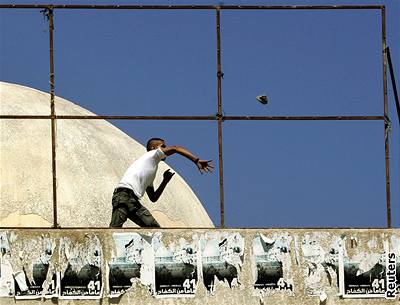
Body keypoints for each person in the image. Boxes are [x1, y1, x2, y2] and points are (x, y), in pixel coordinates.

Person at [109, 138, 213, 228]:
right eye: (162, 146)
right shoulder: (152, 155)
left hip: (133, 201)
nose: (164, 148)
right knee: (114, 230)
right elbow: (175, 148)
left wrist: (164, 181)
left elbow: (153, 197)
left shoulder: (152, 167)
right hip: (123, 196)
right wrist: (196, 160)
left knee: (155, 229)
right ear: (154, 148)